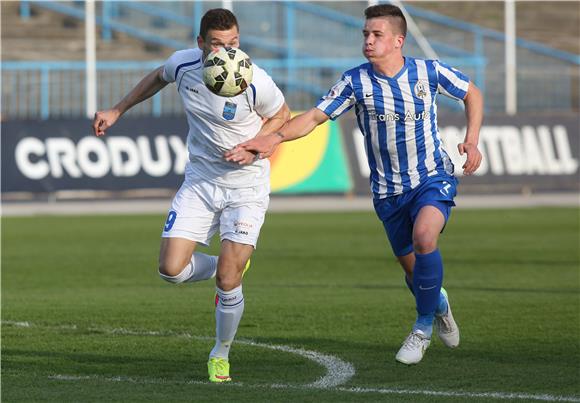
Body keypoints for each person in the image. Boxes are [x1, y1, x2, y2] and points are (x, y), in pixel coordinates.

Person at [226, 4, 483, 365]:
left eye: (376, 35)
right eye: (365, 34)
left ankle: (422, 327)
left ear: (398, 40)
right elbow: (314, 117)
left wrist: (471, 140)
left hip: (431, 177)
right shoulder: (355, 82)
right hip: (388, 192)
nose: (368, 41)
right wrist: (276, 138)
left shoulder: (428, 72)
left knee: (426, 237)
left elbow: (472, 93)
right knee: (415, 272)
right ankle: (437, 303)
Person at [92, 8, 290, 382]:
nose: (227, 53)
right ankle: (225, 264)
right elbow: (156, 77)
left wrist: (257, 144)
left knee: (229, 282)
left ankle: (221, 352)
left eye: (233, 44)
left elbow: (283, 114)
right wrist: (118, 110)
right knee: (171, 270)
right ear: (200, 44)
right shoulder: (183, 66)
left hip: (245, 186)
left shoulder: (253, 79)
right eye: (218, 45)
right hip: (200, 181)